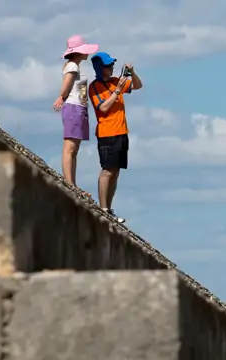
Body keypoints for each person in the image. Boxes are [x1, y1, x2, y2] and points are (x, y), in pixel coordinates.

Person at [88, 51, 143, 223]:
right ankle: (102, 208)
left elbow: (138, 86)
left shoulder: (115, 81)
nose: (111, 68)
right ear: (100, 68)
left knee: (116, 171)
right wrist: (116, 92)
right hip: (107, 133)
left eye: (112, 65)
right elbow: (103, 108)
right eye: (107, 66)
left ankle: (109, 208)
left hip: (121, 132)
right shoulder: (94, 87)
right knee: (107, 170)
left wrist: (132, 73)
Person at [53, 35, 99, 197]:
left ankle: (72, 182)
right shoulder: (72, 66)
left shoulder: (74, 66)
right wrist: (61, 96)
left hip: (78, 107)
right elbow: (66, 86)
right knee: (70, 147)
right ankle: (69, 183)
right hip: (73, 107)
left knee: (74, 148)